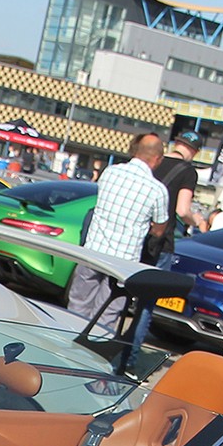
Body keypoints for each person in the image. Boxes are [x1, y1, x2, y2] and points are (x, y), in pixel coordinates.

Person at [66, 133, 169, 330]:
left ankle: (63, 346)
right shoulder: (157, 190)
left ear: (135, 152)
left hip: (93, 252)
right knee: (106, 317)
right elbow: (159, 229)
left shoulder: (110, 172)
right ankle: (90, 356)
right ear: (157, 159)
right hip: (122, 263)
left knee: (77, 307)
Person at [147, 134, 207, 264]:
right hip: (161, 241)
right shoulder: (188, 171)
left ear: (176, 144)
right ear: (195, 152)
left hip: (139, 234)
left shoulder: (153, 162)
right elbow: (183, 211)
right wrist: (196, 220)